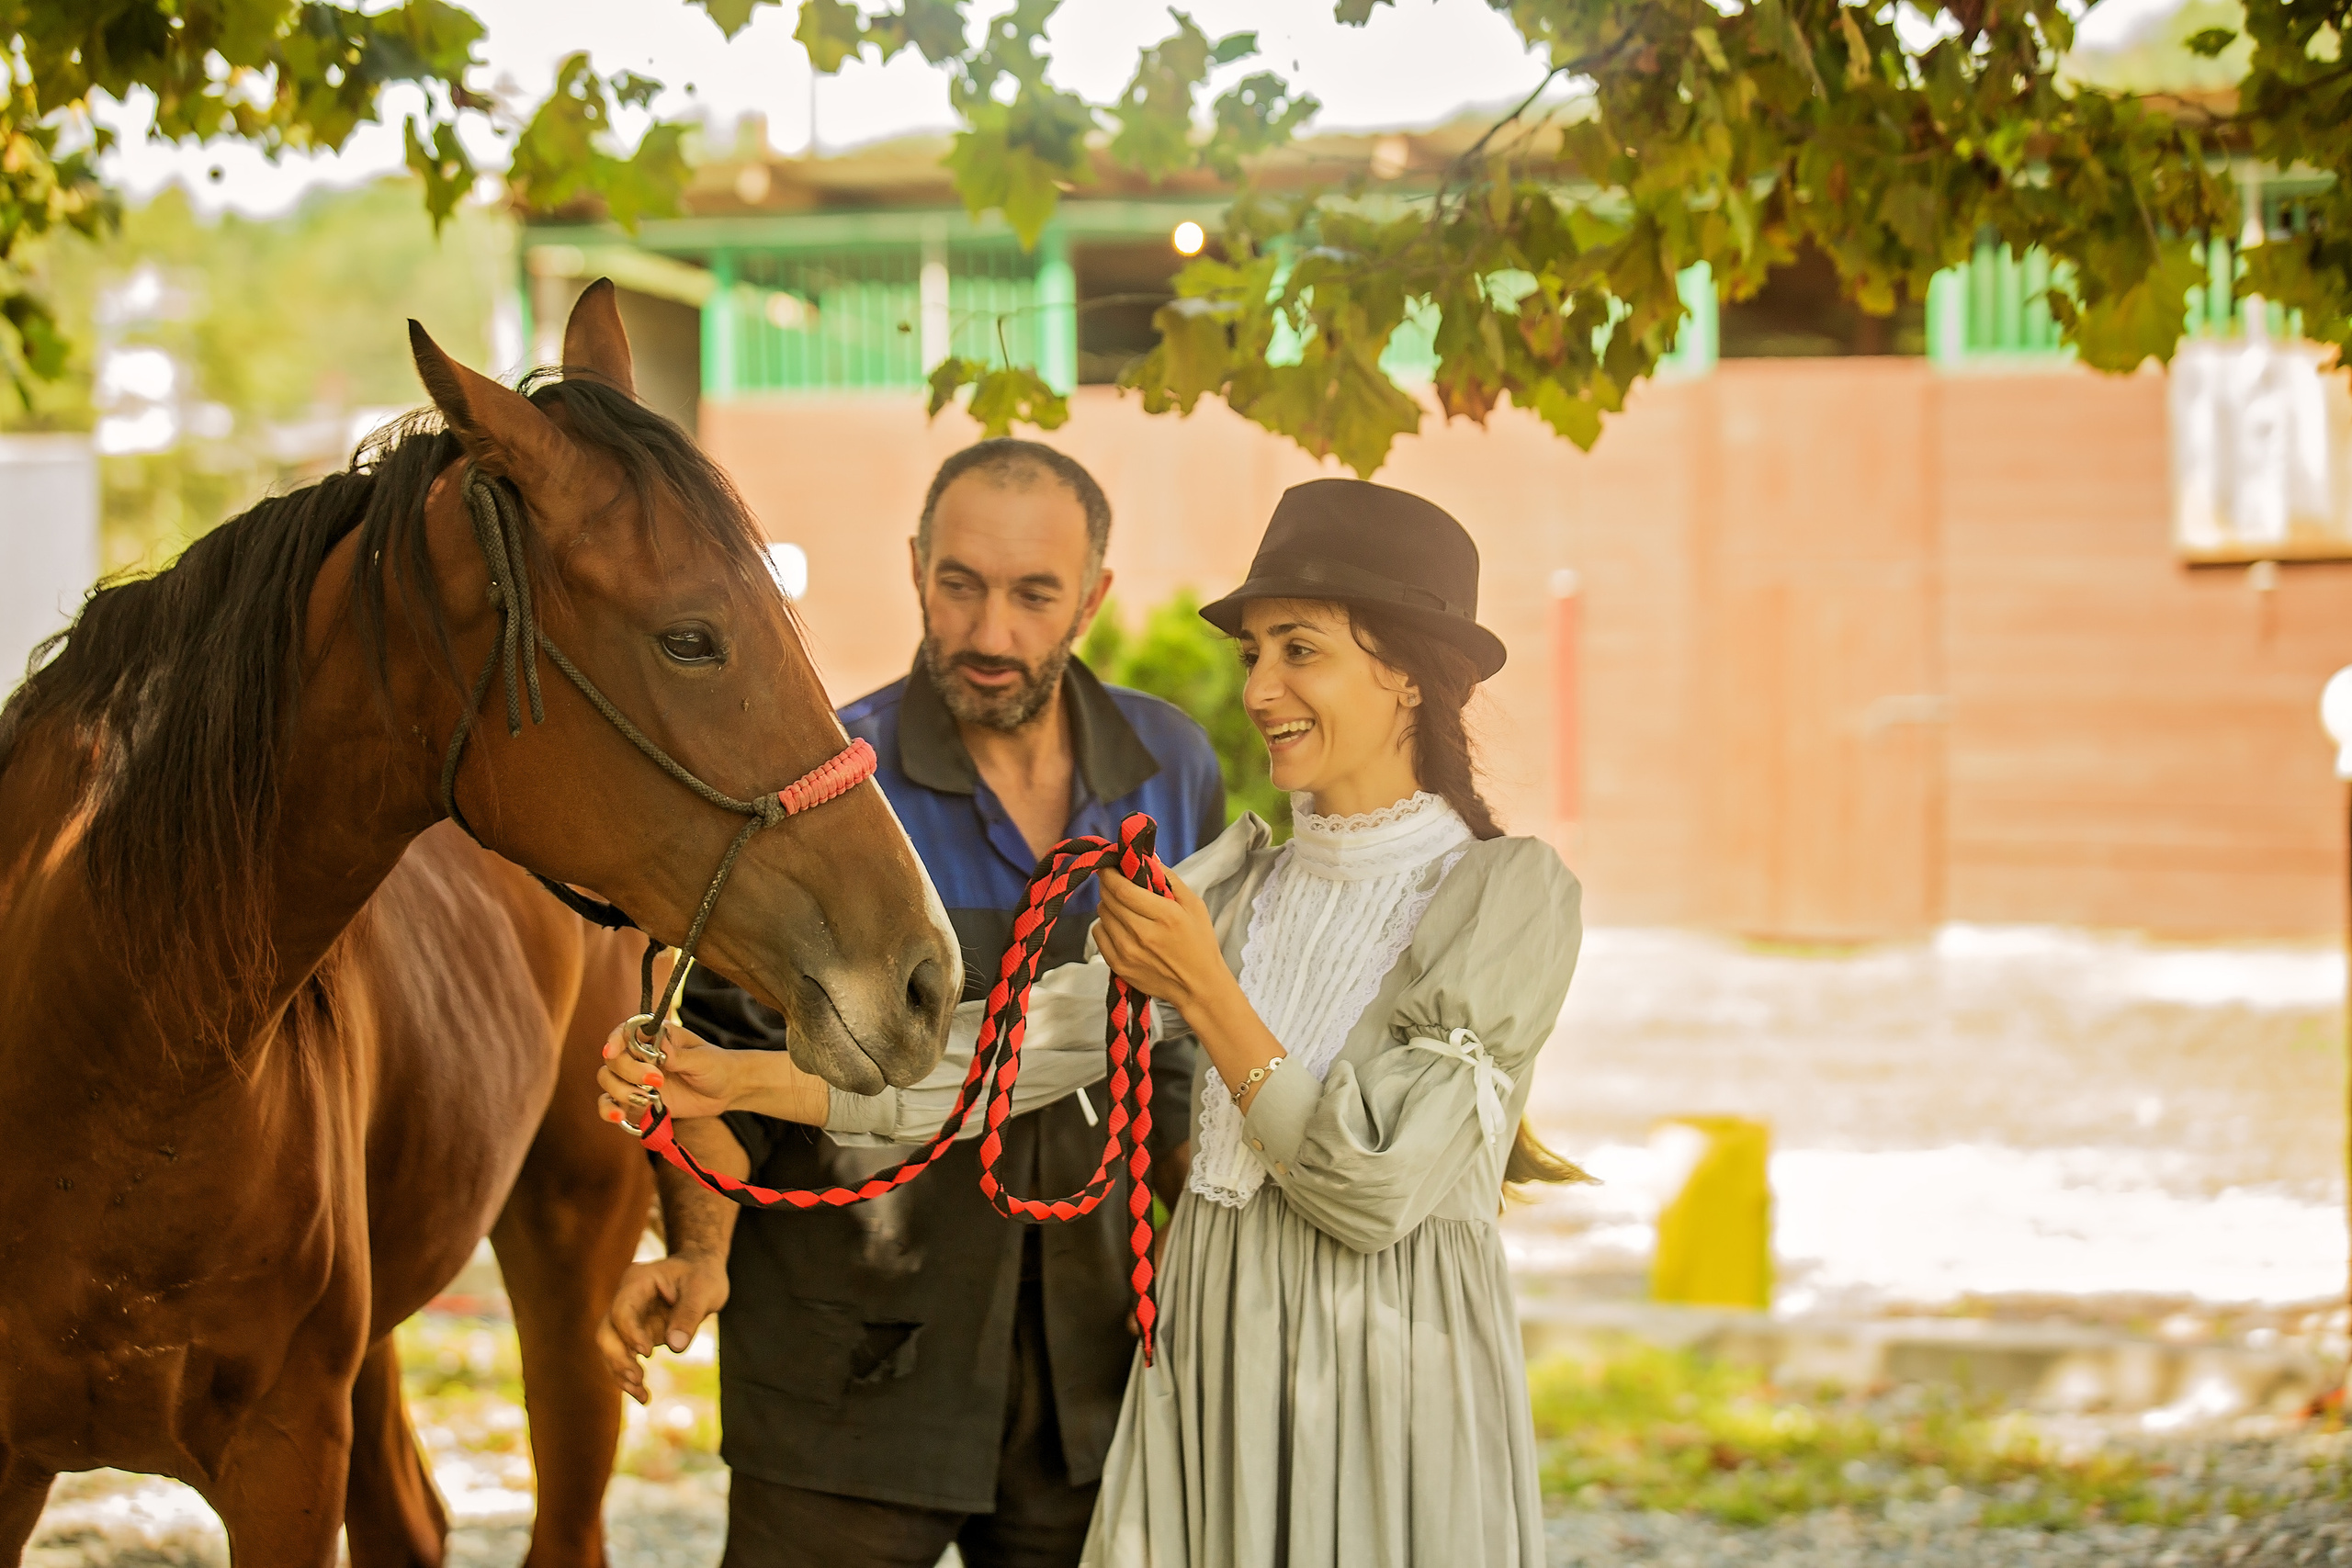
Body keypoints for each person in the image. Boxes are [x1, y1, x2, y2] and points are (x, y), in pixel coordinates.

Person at [604, 477, 1588, 1567]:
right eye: (1252, 655)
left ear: (1408, 674)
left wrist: (1206, 991)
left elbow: (1375, 1186)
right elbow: (1005, 1052)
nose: (1261, 689)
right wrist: (729, 1081)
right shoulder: (1234, 883)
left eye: (1298, 651)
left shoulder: (1508, 895)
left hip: (1377, 1379)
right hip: (1206, 1362)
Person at [595, 440, 1226, 1568]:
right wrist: (698, 1252)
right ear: (914, 568)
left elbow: (1177, 1057)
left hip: (1090, 1377)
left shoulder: (1170, 768)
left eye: (1035, 594)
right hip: (847, 1372)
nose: (992, 634)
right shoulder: (823, 780)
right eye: (960, 584)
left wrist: (1226, 1265)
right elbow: (719, 1069)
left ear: (1093, 595)